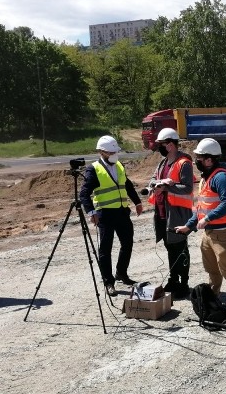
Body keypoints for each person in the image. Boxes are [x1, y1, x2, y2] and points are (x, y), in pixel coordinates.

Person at [176, 138, 226, 326]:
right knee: (213, 271)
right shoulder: (207, 176)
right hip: (209, 233)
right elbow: (201, 209)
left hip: (224, 233)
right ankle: (213, 303)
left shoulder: (221, 177)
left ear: (209, 159)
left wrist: (208, 219)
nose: (196, 160)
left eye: (199, 157)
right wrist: (188, 226)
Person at [79, 135, 143, 296]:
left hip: (122, 211)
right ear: (101, 152)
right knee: (105, 250)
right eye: (111, 151)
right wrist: (91, 212)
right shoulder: (93, 169)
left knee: (127, 243)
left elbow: (127, 185)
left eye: (115, 151)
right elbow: (84, 194)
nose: (114, 154)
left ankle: (121, 273)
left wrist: (137, 202)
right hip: (105, 214)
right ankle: (109, 282)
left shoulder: (119, 165)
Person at [147, 128, 194, 300]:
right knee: (169, 247)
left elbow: (188, 188)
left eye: (162, 144)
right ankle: (173, 280)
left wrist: (167, 187)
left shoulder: (184, 163)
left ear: (171, 144)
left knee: (180, 248)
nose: (160, 147)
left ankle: (184, 283)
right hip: (162, 213)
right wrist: (156, 184)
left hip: (178, 214)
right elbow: (152, 179)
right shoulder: (162, 163)